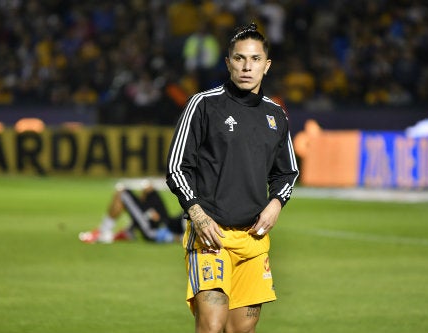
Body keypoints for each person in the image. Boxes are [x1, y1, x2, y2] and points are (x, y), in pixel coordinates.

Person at [166, 23, 299, 333]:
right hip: (211, 238)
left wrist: (277, 203)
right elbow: (176, 166)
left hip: (253, 241)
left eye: (254, 59)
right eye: (239, 59)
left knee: (241, 331)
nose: (246, 66)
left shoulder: (276, 115)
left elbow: (287, 172)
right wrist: (198, 215)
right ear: (228, 63)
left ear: (266, 65)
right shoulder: (203, 105)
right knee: (212, 327)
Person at [78, 182, 184, 244]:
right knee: (149, 189)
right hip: (165, 222)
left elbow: (180, 236)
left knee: (123, 193)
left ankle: (103, 232)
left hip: (156, 230)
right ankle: (130, 230)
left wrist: (173, 237)